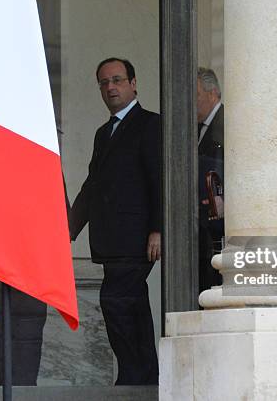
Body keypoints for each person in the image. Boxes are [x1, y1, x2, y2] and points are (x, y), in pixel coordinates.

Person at [69, 57, 160, 385]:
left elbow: (159, 179)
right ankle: (144, 378)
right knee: (130, 303)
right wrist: (67, 228)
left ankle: (134, 377)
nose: (111, 87)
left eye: (117, 80)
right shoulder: (102, 133)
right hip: (111, 240)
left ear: (133, 83)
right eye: (104, 83)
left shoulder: (151, 124)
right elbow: (92, 186)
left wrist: (158, 228)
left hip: (137, 238)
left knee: (116, 299)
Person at [197, 67, 224, 294]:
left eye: (194, 94)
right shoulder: (192, 128)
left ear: (212, 93)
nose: (189, 101)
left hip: (217, 227)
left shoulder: (227, 124)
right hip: (198, 229)